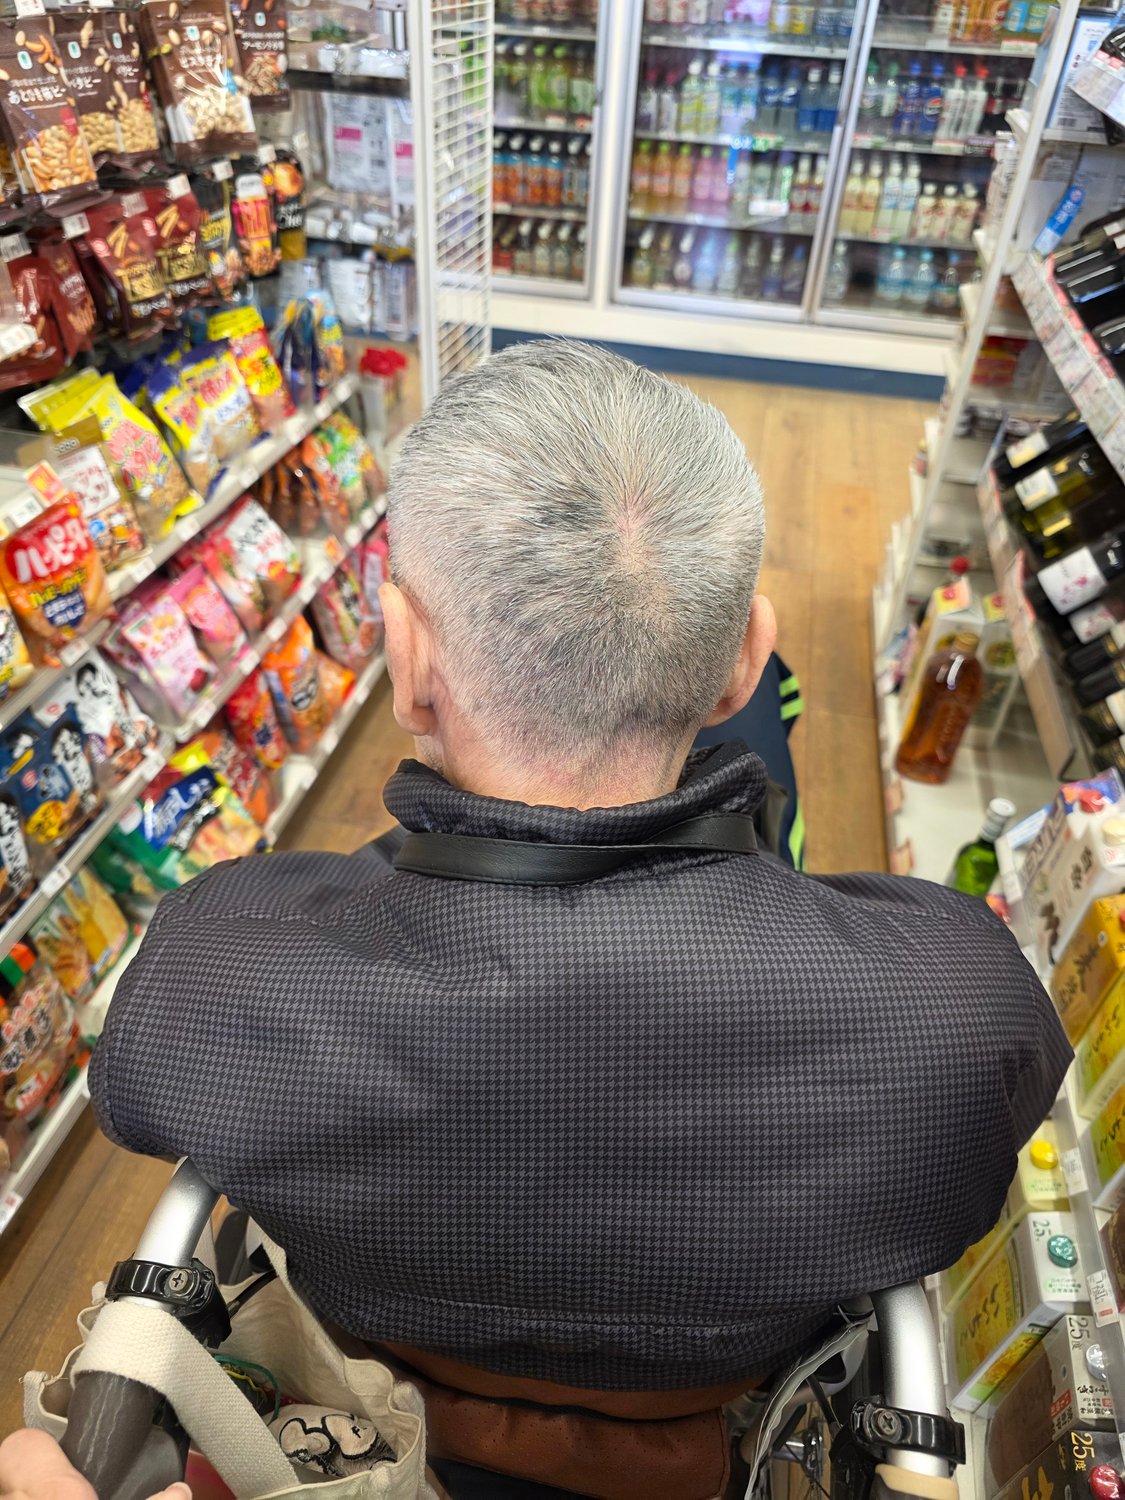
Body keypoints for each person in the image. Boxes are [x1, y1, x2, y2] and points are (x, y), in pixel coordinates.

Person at [80, 341, 1068, 1497]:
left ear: (405, 655)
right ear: (747, 664)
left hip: (366, 1408)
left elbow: (135, 1098)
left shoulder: (212, 977)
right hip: (721, 1411)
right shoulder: (955, 1010)